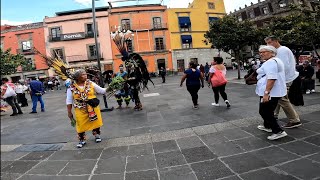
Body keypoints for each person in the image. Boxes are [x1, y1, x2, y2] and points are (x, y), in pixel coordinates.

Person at [265, 36, 302, 128]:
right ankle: (273, 116)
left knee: (282, 99)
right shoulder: (279, 51)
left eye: (270, 42)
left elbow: (283, 67)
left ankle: (294, 120)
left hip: (285, 79)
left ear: (276, 41)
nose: (268, 45)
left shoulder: (282, 50)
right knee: (277, 98)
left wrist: (275, 78)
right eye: (267, 43)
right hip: (283, 78)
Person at [66, 69, 106, 148]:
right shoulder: (71, 87)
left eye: (85, 74)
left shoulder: (90, 83)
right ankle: (82, 139)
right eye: (83, 75)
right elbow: (69, 100)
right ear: (78, 77)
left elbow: (101, 90)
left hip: (92, 107)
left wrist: (111, 87)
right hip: (80, 109)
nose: (86, 76)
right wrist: (69, 112)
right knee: (80, 124)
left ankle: (97, 135)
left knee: (95, 121)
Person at [256, 46, 287, 140]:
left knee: (264, 111)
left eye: (264, 52)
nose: (261, 54)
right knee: (268, 110)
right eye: (260, 52)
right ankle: (267, 126)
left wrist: (266, 93)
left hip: (270, 92)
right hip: (274, 91)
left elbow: (272, 78)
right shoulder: (276, 60)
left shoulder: (271, 62)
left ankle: (278, 131)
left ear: (271, 52)